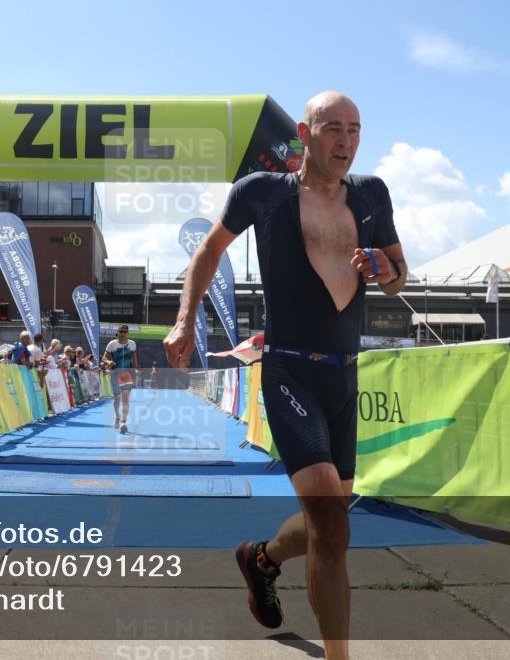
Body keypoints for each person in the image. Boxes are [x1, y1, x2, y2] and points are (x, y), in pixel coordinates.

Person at [162, 91, 406, 659]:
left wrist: (385, 267)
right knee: (332, 526)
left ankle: (262, 558)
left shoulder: (372, 195)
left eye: (355, 129)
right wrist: (183, 323)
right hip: (291, 371)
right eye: (333, 129)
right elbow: (208, 252)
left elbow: (399, 277)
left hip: (345, 376)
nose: (345, 141)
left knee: (331, 520)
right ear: (304, 131)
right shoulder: (263, 193)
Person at [103, 324, 139, 433]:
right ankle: (117, 416)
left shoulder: (132, 344)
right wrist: (108, 361)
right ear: (117, 333)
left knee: (126, 398)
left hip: (126, 374)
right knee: (117, 398)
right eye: (121, 331)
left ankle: (123, 421)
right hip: (115, 373)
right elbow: (104, 357)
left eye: (125, 332)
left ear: (127, 334)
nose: (123, 334)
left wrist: (136, 369)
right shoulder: (112, 344)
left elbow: (134, 358)